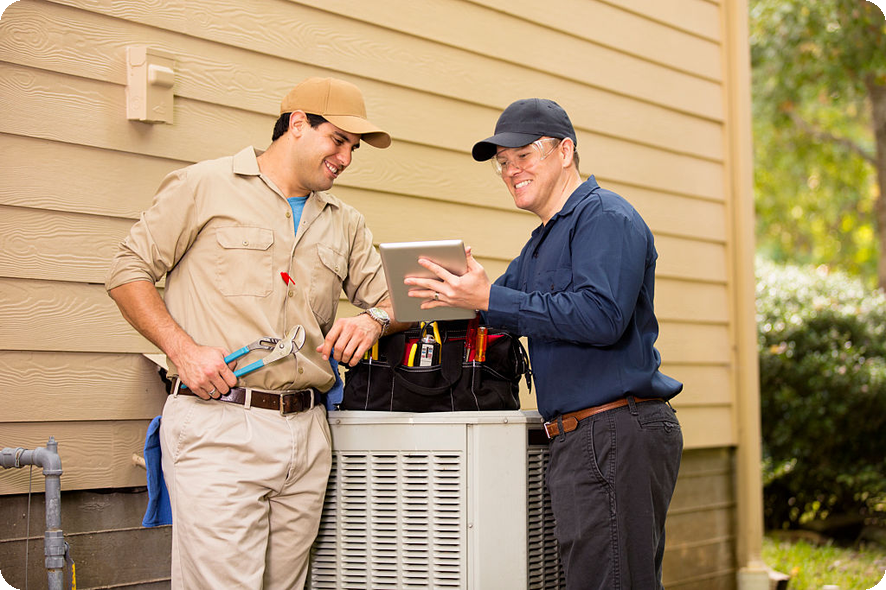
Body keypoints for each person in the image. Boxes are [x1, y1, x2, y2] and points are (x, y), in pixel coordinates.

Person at [105, 76, 409, 589]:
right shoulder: (203, 185)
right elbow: (126, 272)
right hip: (219, 423)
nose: (345, 159)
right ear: (298, 124)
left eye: (353, 148)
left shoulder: (345, 222)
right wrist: (182, 350)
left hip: (308, 432)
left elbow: (401, 299)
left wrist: (373, 319)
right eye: (338, 140)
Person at [405, 98, 684, 589]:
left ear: (565, 152)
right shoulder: (540, 243)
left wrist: (490, 297)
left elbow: (602, 317)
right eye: (503, 163)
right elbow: (493, 312)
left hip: (614, 431)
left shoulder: (605, 217)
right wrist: (404, 307)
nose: (512, 170)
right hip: (579, 438)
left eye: (524, 155)